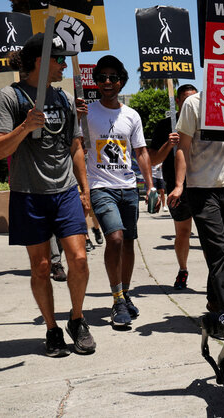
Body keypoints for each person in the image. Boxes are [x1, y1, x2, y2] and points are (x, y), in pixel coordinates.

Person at [0, 33, 95, 356]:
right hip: (28, 194)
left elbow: (75, 146)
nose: (63, 64)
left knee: (78, 259)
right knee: (40, 267)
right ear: (41, 60)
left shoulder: (63, 99)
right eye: (59, 59)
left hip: (64, 192)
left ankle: (76, 320)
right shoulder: (8, 97)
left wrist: (84, 188)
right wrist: (24, 127)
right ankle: (52, 329)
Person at [84, 55, 153, 327]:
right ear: (96, 83)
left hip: (128, 188)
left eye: (113, 78)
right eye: (102, 78)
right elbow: (76, 147)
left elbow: (141, 151)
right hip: (101, 186)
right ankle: (117, 300)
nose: (108, 82)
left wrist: (150, 186)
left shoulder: (131, 115)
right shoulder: (86, 113)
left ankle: (125, 292)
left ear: (121, 82)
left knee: (128, 242)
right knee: (114, 238)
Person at [168, 91, 224, 313]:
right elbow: (182, 147)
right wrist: (179, 185)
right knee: (218, 250)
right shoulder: (194, 104)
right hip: (201, 188)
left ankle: (215, 300)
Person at [148, 84, 198, 290]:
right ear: (177, 102)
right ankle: (183, 270)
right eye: (186, 100)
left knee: (210, 234)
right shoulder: (164, 126)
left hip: (204, 184)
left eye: (195, 100)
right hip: (178, 187)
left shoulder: (204, 122)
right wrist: (169, 144)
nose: (191, 104)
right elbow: (152, 160)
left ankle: (217, 278)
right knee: (183, 232)